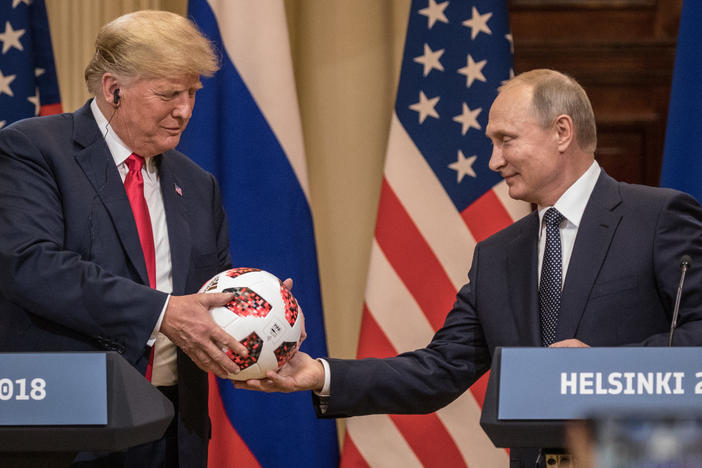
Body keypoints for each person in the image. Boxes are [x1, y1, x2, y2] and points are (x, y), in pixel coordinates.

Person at [237, 69, 702, 467]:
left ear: (562, 132)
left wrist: (601, 369)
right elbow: (439, 370)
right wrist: (319, 374)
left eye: (506, 140)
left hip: (645, 456)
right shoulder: (498, 256)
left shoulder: (658, 218)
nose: (494, 160)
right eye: (491, 143)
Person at [0, 10, 250, 468]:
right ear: (113, 88)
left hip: (174, 432)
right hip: (69, 425)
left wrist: (257, 314)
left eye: (192, 92)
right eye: (169, 94)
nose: (185, 110)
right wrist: (162, 312)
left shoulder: (198, 185)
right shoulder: (33, 149)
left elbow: (207, 297)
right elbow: (31, 265)